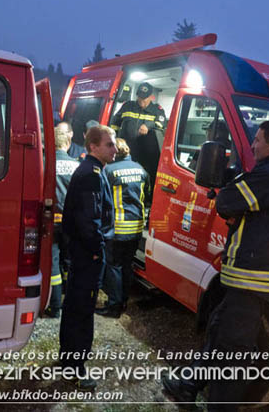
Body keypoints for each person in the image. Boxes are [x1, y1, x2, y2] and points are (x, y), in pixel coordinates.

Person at [162, 120, 269, 409]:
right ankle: (188, 385)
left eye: (258, 141)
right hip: (255, 278)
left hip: (252, 278)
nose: (253, 146)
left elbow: (226, 202)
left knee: (233, 351)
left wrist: (229, 185)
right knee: (218, 331)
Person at [58, 124, 116, 390]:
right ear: (93, 147)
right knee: (82, 312)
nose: (114, 149)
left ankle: (68, 360)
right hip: (87, 256)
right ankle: (75, 368)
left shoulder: (92, 170)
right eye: (109, 144)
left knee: (74, 308)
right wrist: (97, 251)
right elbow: (89, 222)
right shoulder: (91, 174)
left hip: (82, 254)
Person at [97, 138, 148, 318]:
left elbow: (101, 198)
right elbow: (146, 194)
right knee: (127, 264)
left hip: (117, 228)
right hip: (136, 228)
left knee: (114, 266)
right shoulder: (140, 169)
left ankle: (114, 306)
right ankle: (124, 300)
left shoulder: (109, 170)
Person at [43, 124, 80, 318]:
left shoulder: (44, 164)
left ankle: (55, 306)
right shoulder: (77, 166)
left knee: (53, 264)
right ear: (68, 142)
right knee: (70, 261)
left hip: (51, 223)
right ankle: (71, 301)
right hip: (72, 224)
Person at [110, 81, 166, 163]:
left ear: (151, 97)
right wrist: (115, 140)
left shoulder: (157, 110)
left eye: (144, 98)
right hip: (125, 150)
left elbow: (161, 125)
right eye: (140, 97)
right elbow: (115, 123)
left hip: (144, 152)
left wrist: (148, 125)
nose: (141, 100)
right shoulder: (128, 106)